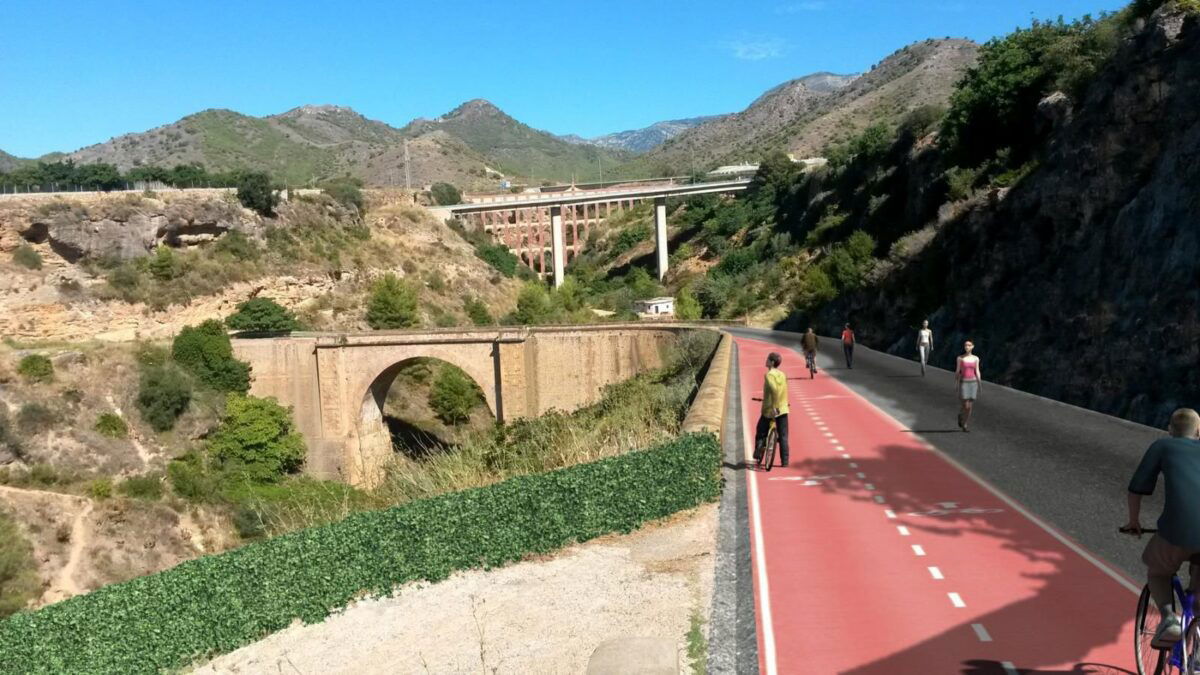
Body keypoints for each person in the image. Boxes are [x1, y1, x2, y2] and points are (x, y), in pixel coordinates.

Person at [1124, 409, 1200, 648]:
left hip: (1176, 531)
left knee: (1157, 571)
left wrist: (1133, 522)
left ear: (1170, 429)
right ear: (1199, 432)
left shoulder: (1163, 446)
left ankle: (1169, 619)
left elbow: (1137, 488)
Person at [754, 352, 790, 467]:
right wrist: (782, 404)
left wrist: (774, 406)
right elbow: (783, 389)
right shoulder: (782, 374)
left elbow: (774, 390)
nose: (766, 360)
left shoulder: (769, 375)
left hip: (770, 409)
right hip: (783, 408)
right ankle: (785, 462)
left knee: (760, 430)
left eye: (768, 359)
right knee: (783, 436)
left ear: (772, 362)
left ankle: (758, 452)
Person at [955, 341, 981, 431]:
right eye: (965, 345)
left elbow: (977, 371)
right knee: (965, 405)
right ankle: (961, 415)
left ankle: (965, 424)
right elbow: (958, 371)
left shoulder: (976, 358)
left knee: (970, 405)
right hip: (964, 382)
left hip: (973, 383)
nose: (967, 347)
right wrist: (956, 383)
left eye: (969, 345)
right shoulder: (960, 358)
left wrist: (979, 383)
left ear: (973, 347)